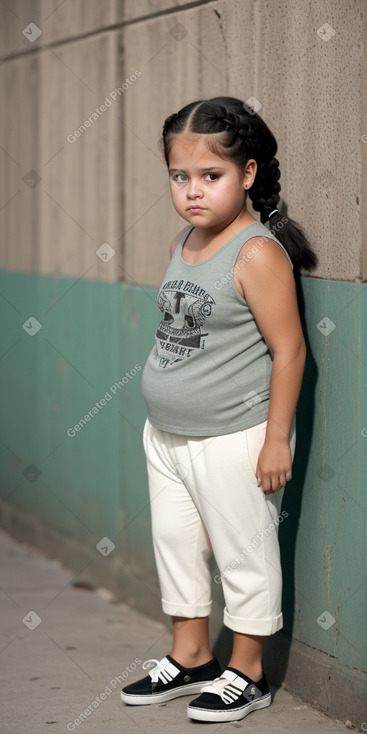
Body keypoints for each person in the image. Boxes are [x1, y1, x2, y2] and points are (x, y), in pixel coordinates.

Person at [120, 96, 317, 723]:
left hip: (233, 436)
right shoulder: (188, 239)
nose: (193, 192)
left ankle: (249, 671)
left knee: (243, 552)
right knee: (176, 544)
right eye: (181, 177)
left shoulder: (256, 253)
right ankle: (192, 655)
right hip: (168, 436)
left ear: (249, 175)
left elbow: (290, 352)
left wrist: (276, 438)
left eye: (212, 176)